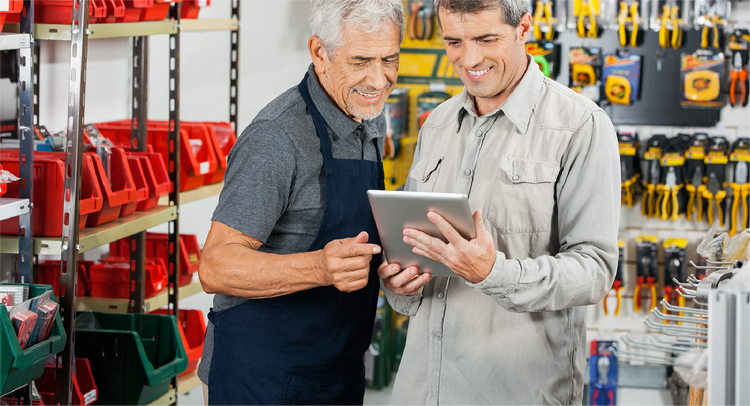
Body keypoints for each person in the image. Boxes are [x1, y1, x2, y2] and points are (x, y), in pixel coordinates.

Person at [378, 0, 620, 404]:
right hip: (420, 389)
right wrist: (399, 283)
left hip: (515, 391)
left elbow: (595, 271)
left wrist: (494, 273)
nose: (468, 58)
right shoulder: (435, 125)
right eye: (454, 41)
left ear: (523, 28)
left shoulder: (579, 126)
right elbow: (409, 251)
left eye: (486, 39)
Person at [196, 1, 404, 404]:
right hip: (261, 377)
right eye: (360, 60)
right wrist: (320, 267)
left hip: (337, 370)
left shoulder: (369, 114)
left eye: (389, 59)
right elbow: (215, 267)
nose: (378, 79)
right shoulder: (277, 138)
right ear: (319, 53)